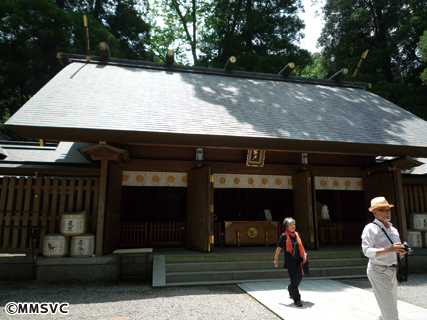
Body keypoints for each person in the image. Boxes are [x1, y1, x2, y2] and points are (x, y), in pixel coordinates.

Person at [361, 196, 407, 320]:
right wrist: (389, 249)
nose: (387, 212)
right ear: (375, 213)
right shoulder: (370, 228)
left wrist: (401, 252)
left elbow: (395, 252)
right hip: (378, 270)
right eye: (383, 210)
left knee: (386, 311)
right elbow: (367, 251)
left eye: (388, 209)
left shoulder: (393, 230)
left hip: (393, 270)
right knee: (391, 313)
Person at [274, 217, 307, 307]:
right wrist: (276, 258)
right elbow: (278, 248)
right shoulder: (284, 236)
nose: (293, 226)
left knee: (299, 277)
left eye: (294, 224)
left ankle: (290, 288)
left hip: (299, 260)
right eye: (291, 225)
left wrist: (304, 255)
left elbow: (301, 246)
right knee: (293, 278)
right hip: (290, 261)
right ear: (286, 226)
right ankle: (297, 299)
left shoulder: (297, 235)